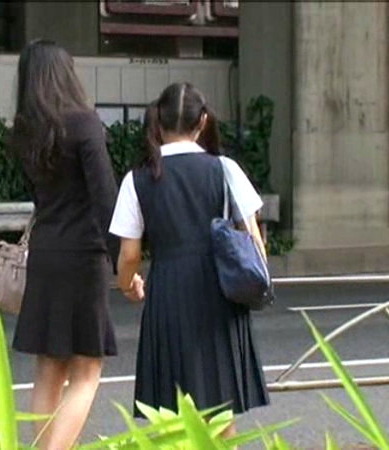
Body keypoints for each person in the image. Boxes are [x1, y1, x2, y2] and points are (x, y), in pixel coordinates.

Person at [109, 82, 270, 433]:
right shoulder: (224, 168)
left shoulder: (137, 179)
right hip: (219, 291)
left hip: (167, 291)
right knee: (220, 405)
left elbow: (130, 254)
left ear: (159, 120)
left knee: (171, 405)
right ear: (203, 121)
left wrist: (127, 284)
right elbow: (255, 240)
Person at [9, 39, 120, 449]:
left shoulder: (26, 132)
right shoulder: (85, 124)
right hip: (83, 256)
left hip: (44, 253)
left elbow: (39, 199)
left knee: (49, 368)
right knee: (87, 371)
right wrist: (125, 261)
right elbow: (106, 199)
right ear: (65, 75)